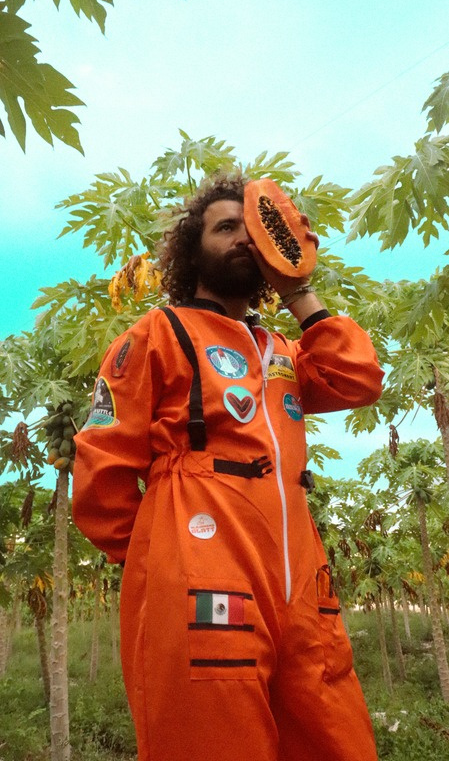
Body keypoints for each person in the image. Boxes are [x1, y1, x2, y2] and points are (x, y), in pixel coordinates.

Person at [72, 174, 383, 761]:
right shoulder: (156, 333)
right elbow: (101, 467)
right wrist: (160, 557)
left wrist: (299, 289)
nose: (244, 238)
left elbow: (358, 378)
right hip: (198, 563)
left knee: (334, 737)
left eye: (255, 229)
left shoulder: (281, 350)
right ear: (192, 252)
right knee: (212, 739)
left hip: (300, 576)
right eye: (225, 227)